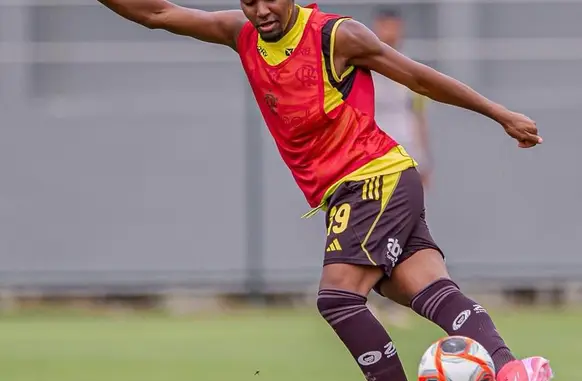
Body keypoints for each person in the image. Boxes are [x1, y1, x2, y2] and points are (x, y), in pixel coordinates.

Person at [95, 1, 552, 381]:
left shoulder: (337, 36)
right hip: (356, 188)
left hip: (373, 177)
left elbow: (417, 77)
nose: (259, 11)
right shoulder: (241, 33)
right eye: (248, 1)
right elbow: (156, 13)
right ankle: (514, 369)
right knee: (420, 286)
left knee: (338, 298)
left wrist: (500, 114)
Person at [371, 8, 433, 188]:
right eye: (385, 27)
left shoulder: (412, 68)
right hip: (373, 146)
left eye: (394, 28)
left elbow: (419, 115)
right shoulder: (361, 67)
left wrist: (424, 159)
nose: (390, 33)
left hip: (405, 144)